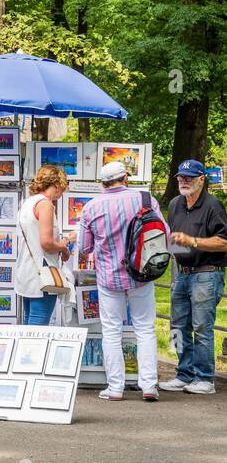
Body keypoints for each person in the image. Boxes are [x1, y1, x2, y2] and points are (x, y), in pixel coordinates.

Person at [78, 160, 165, 401]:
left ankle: (115, 387)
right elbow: (162, 232)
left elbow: (85, 248)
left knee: (111, 331)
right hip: (142, 275)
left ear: (102, 183)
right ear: (125, 178)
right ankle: (148, 385)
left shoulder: (91, 207)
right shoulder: (145, 200)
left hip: (109, 277)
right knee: (145, 329)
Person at [159, 159, 227, 395]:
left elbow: (223, 242)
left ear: (201, 179)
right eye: (181, 177)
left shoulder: (213, 206)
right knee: (177, 325)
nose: (184, 181)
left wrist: (193, 242)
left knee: (201, 327)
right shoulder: (176, 204)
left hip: (206, 274)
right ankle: (183, 373)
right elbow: (173, 237)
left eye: (189, 177)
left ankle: (205, 378)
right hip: (182, 273)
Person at [14, 166, 73, 326]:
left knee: (29, 321)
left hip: (27, 269)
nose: (63, 191)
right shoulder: (46, 205)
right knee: (39, 325)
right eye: (63, 185)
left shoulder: (28, 203)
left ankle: (25, 351)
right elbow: (46, 243)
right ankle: (32, 352)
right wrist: (66, 242)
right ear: (56, 183)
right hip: (43, 271)